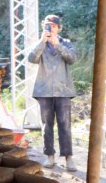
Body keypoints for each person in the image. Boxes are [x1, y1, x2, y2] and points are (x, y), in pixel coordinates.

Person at [28, 13, 77, 171]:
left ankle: (68, 157)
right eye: (48, 26)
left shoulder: (66, 43)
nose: (51, 29)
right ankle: (49, 156)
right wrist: (43, 41)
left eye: (54, 26)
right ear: (43, 27)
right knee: (46, 126)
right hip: (44, 91)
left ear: (59, 28)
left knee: (65, 125)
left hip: (63, 90)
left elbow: (72, 59)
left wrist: (58, 45)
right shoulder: (40, 44)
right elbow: (31, 58)